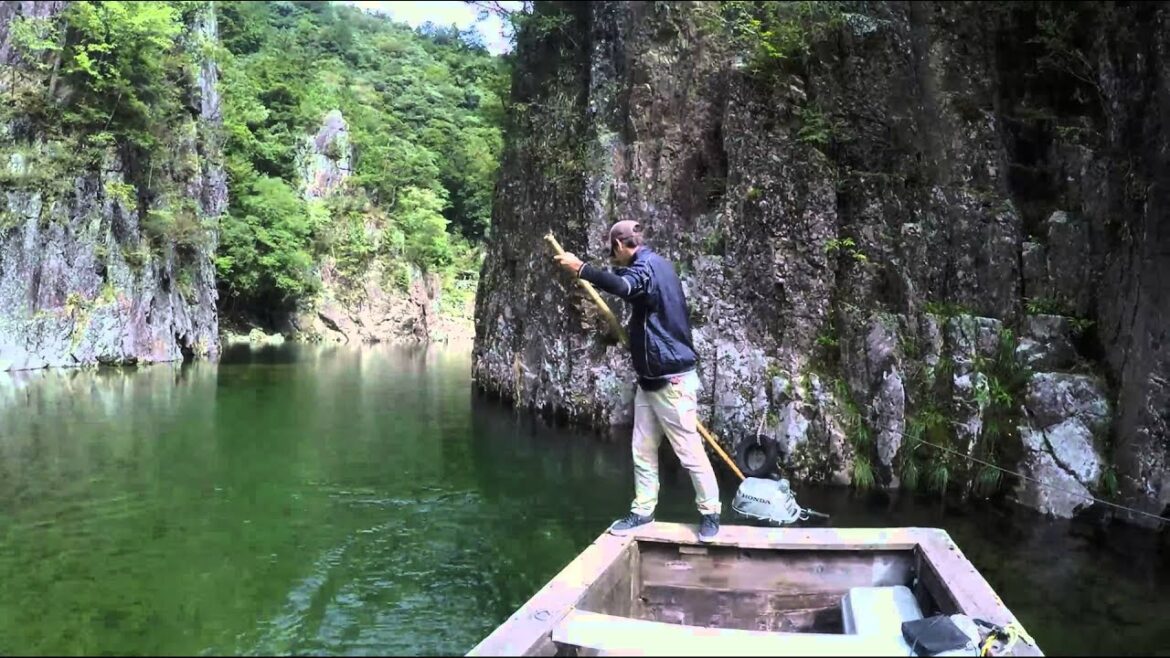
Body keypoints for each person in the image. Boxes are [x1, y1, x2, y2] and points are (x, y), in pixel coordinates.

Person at [553, 220, 721, 542]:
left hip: (671, 379)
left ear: (619, 246)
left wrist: (582, 269)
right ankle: (643, 510)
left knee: (689, 452)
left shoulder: (646, 269)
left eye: (611, 252)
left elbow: (625, 287)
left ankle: (710, 512)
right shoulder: (660, 264)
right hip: (650, 378)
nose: (613, 259)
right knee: (642, 449)